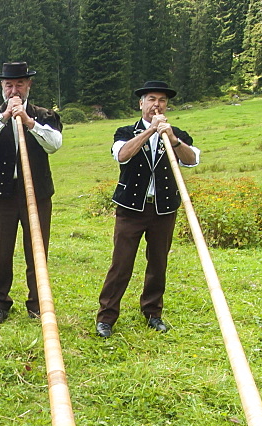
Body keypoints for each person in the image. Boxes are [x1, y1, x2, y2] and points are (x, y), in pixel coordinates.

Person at [94, 80, 200, 338]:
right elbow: (122, 155)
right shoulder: (125, 131)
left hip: (164, 209)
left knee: (158, 263)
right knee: (121, 264)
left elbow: (192, 159)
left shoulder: (177, 134)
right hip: (130, 208)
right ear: (141, 104)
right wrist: (150, 131)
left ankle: (153, 313)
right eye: (151, 99)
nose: (157, 105)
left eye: (162, 100)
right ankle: (106, 317)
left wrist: (172, 138)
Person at [0, 62, 63, 324]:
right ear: (2, 86)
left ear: (28, 85)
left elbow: (54, 144)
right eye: (9, 85)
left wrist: (29, 122)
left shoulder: (44, 115)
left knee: (37, 249)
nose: (14, 90)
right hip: (1, 194)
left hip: (37, 192)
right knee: (2, 250)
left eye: (19, 85)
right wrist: (4, 119)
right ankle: (0, 303)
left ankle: (37, 302)